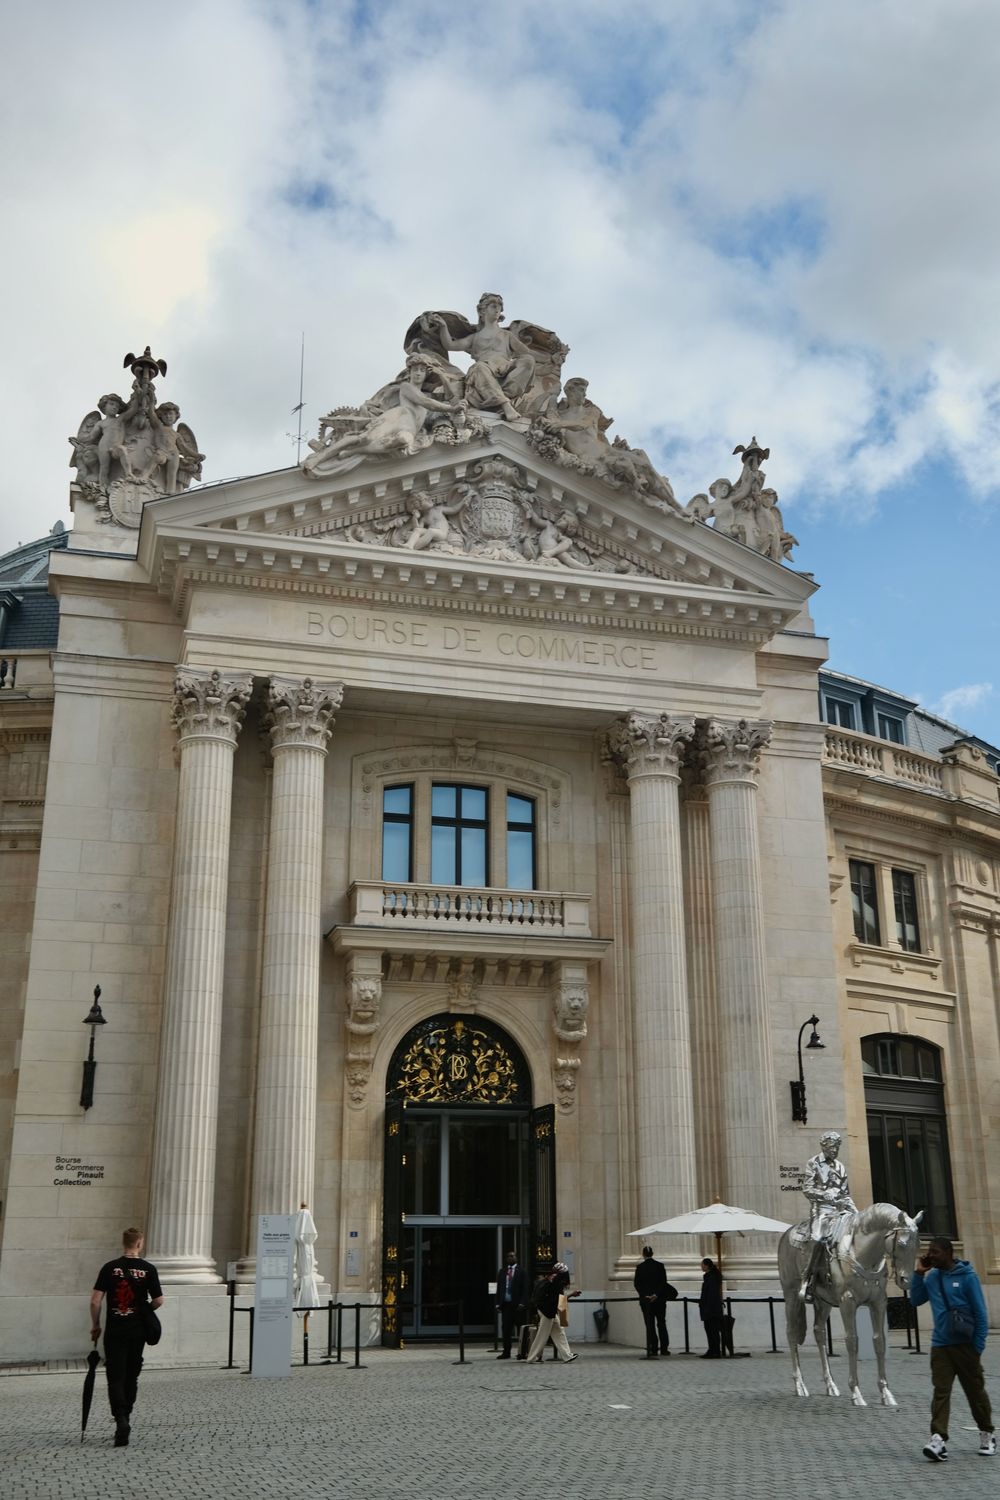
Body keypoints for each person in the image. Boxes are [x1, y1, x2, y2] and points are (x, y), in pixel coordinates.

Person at [910, 1236, 995, 1462]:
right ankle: (938, 1439)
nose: (931, 1255)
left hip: (966, 1346)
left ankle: (987, 1433)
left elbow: (980, 1313)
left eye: (935, 1252)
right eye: (930, 1251)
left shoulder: (968, 1277)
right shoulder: (932, 1277)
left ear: (948, 1253)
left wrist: (977, 1346)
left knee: (975, 1392)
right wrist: (919, 1273)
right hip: (941, 1346)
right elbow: (915, 1300)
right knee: (941, 1392)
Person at [90, 1227, 163, 1448]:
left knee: (115, 1376)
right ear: (140, 1243)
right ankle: (127, 1416)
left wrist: (96, 1325)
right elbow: (159, 1300)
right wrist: (144, 1310)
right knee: (132, 1375)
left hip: (115, 1330)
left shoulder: (109, 1268)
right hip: (137, 1330)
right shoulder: (148, 1269)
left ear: (123, 1243)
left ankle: (120, 1419)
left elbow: (95, 1301)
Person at [799, 1129, 857, 1302]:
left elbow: (846, 1193)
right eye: (832, 1146)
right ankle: (807, 1280)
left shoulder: (840, 1166)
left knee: (857, 1234)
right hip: (821, 1210)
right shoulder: (813, 1163)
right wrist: (824, 1194)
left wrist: (855, 1211)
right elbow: (807, 1189)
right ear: (824, 1146)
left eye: (837, 1147)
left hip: (840, 1210)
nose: (834, 1150)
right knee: (817, 1238)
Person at [525, 1263, 578, 1364]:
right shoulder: (556, 1283)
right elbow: (559, 1301)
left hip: (546, 1310)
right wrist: (571, 1295)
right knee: (542, 1336)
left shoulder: (547, 1280)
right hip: (548, 1312)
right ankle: (531, 1357)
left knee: (559, 1332)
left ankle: (567, 1355)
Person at [633, 1245, 670, 1357]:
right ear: (652, 1254)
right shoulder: (660, 1266)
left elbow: (637, 1284)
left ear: (643, 1254)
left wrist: (645, 1295)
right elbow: (663, 1283)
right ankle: (664, 1348)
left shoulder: (640, 1267)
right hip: (659, 1300)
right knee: (661, 1323)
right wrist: (656, 1294)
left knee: (650, 1325)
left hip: (646, 1301)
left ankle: (653, 1348)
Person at [495, 1249, 527, 1359]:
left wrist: (523, 1302)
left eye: (513, 1256)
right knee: (506, 1330)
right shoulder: (502, 1271)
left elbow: (525, 1289)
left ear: (516, 1258)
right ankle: (506, 1352)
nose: (511, 1258)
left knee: (521, 1330)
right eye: (509, 1256)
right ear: (506, 1259)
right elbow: (499, 1288)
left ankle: (523, 1352)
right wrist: (498, 1304)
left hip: (518, 1305)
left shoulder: (521, 1271)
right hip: (506, 1305)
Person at [699, 1257, 725, 1358]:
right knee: (710, 1330)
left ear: (706, 1265)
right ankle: (712, 1350)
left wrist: (706, 1307)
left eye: (702, 1264)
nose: (701, 1266)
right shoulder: (710, 1277)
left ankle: (715, 1351)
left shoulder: (712, 1278)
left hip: (711, 1309)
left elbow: (711, 1295)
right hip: (711, 1309)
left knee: (712, 1330)